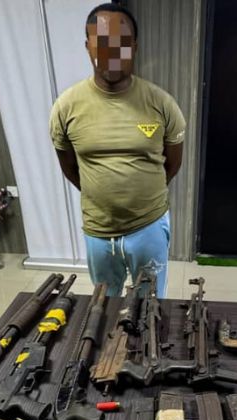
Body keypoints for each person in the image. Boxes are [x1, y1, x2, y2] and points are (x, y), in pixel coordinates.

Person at [50, 3, 185, 297]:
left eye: (121, 42)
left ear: (134, 46)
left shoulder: (162, 103)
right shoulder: (66, 107)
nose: (112, 52)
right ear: (88, 46)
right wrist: (102, 196)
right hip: (98, 231)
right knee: (104, 304)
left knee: (149, 305)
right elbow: (69, 167)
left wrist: (141, 196)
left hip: (149, 226)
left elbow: (172, 164)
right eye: (102, 42)